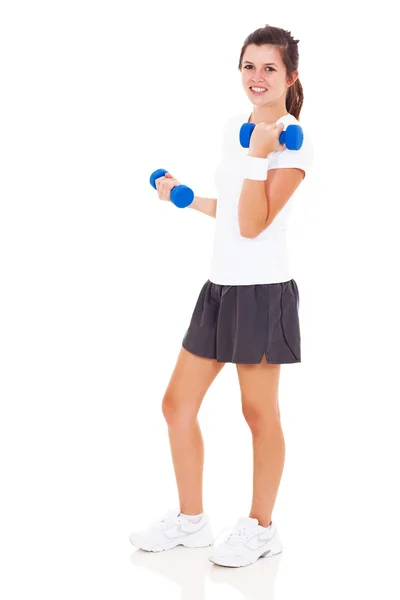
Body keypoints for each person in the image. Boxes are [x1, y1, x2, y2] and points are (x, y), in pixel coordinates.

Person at [129, 24, 314, 568]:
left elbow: (255, 225)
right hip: (219, 287)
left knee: (258, 413)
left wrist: (260, 154)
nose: (256, 78)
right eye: (249, 66)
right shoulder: (242, 128)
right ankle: (192, 521)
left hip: (261, 292)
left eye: (269, 68)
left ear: (291, 76)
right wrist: (185, 199)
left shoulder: (290, 141)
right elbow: (235, 208)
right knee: (176, 404)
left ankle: (262, 529)